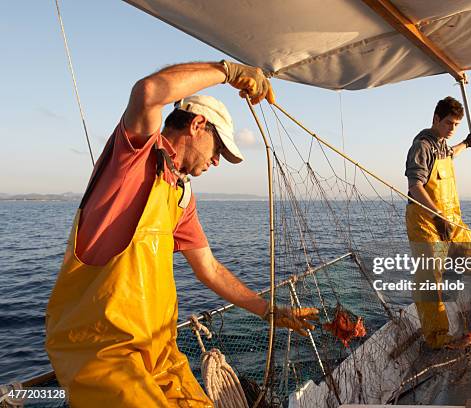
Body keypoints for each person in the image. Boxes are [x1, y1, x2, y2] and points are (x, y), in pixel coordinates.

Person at [46, 61, 318, 407]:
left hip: (159, 352)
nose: (217, 161)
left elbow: (210, 269)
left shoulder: (181, 194)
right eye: (218, 149)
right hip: (103, 352)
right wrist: (229, 72)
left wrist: (268, 310)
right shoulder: (136, 155)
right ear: (198, 125)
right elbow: (147, 92)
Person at [404, 96, 471, 349]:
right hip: (426, 220)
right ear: (436, 119)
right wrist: (437, 215)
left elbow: (452, 153)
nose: (452, 128)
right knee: (429, 278)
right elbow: (415, 186)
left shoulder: (442, 144)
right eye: (448, 123)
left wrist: (466, 144)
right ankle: (437, 338)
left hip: (450, 218)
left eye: (456, 124)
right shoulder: (422, 147)